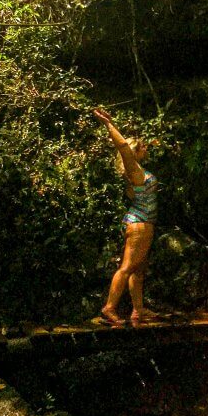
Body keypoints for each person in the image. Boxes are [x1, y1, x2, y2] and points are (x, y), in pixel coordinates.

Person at [93, 107, 158, 325]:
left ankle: (138, 310)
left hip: (145, 223)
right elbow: (122, 146)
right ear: (136, 151)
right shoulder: (135, 171)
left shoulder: (139, 169)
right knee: (127, 267)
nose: (145, 148)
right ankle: (109, 308)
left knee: (138, 270)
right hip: (138, 223)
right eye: (142, 146)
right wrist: (109, 124)